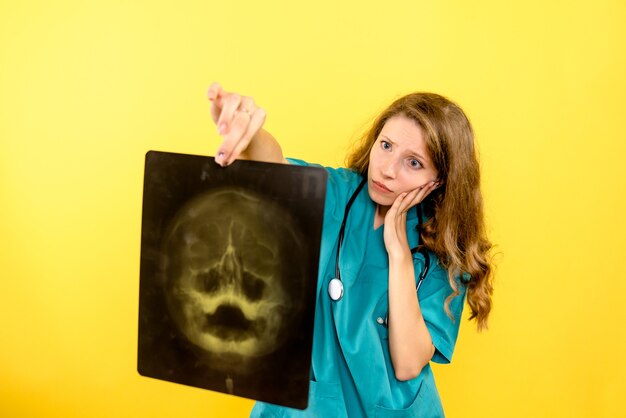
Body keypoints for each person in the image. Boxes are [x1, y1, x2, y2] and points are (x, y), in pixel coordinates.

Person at [206, 82, 494, 418]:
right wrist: (249, 130)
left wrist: (399, 254)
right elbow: (274, 166)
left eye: (413, 163)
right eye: (385, 145)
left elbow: (407, 364)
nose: (387, 169)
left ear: (441, 180)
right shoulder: (338, 195)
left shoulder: (444, 249)